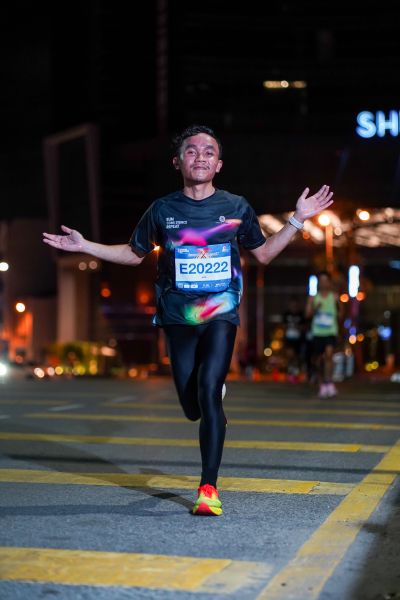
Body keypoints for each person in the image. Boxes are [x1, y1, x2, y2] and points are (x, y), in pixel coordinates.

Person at [43, 124, 333, 516]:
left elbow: (263, 254)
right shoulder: (162, 209)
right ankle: (205, 396)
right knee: (191, 406)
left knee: (209, 392)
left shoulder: (236, 207)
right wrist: (86, 246)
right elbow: (133, 254)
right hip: (177, 318)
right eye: (191, 151)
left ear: (219, 164)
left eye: (209, 151)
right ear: (177, 162)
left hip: (220, 313)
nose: (200, 156)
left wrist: (298, 219)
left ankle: (208, 487)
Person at [305, 271, 342, 398]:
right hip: (317, 332)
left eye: (326, 280)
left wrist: (339, 307)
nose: (323, 283)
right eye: (321, 281)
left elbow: (341, 314)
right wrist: (316, 308)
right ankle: (322, 385)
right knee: (319, 360)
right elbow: (307, 315)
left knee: (329, 355)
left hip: (331, 331)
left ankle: (329, 382)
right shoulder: (313, 298)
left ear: (330, 282)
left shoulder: (335, 297)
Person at [282, 296, 305, 383]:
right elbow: (283, 326)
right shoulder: (286, 314)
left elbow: (304, 327)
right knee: (290, 354)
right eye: (292, 305)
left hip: (298, 339)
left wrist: (298, 327)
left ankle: (295, 373)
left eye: (295, 305)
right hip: (289, 338)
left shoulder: (301, 314)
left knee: (296, 356)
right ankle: (290, 372)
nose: (293, 307)